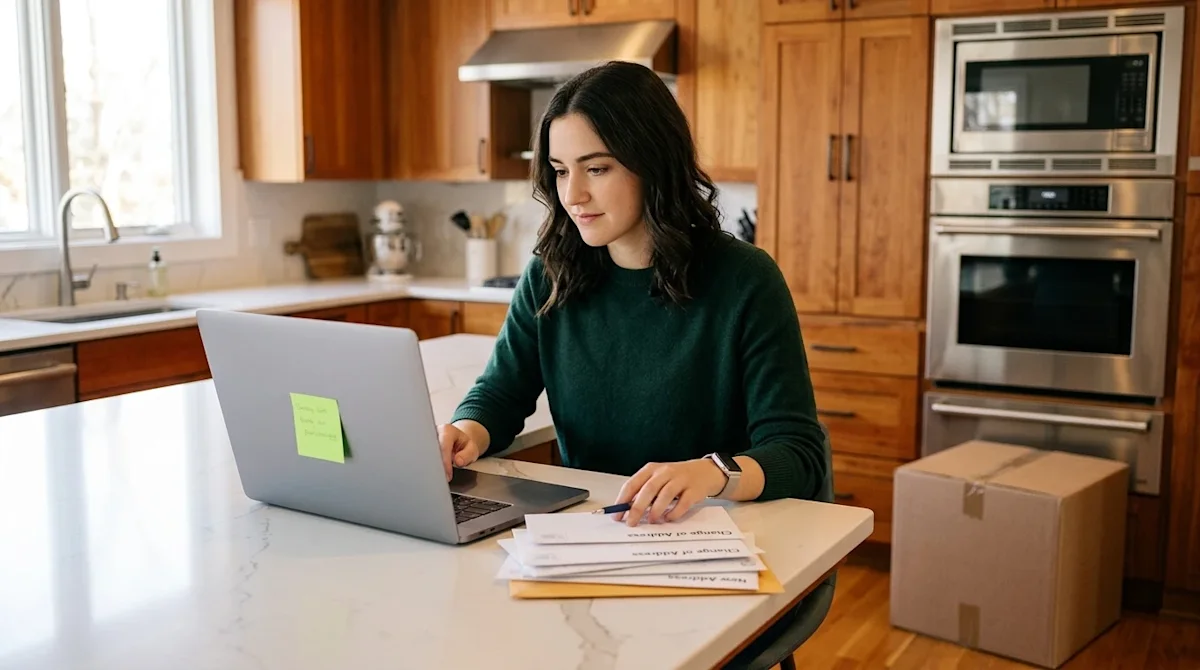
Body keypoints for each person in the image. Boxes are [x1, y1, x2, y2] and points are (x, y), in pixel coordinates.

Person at [438, 60, 827, 527]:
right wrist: (465, 432)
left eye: (596, 168)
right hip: (593, 528)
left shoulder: (745, 280)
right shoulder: (550, 272)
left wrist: (712, 473)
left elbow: (798, 452)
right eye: (561, 171)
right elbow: (501, 394)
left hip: (712, 531)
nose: (573, 194)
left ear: (653, 163)